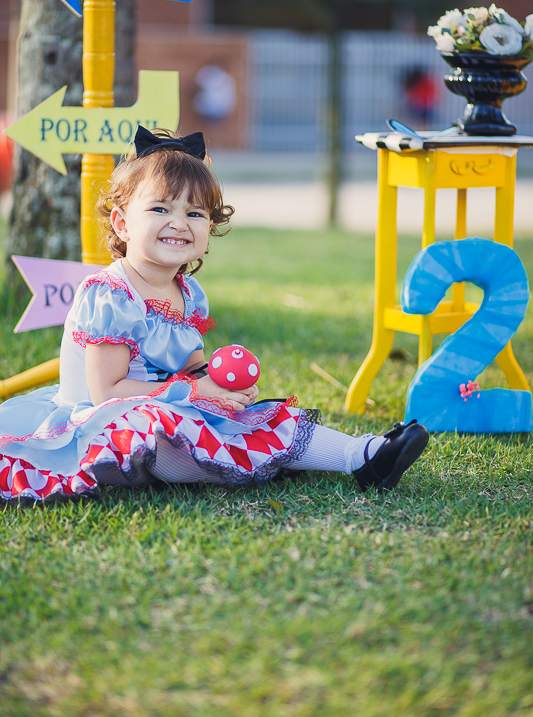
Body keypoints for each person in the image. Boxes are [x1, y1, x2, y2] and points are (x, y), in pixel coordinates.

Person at [0, 126, 429, 502]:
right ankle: (256, 461)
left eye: (195, 213)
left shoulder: (189, 293)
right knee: (161, 424)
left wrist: (218, 385)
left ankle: (366, 455)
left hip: (167, 403)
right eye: (160, 209)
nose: (179, 222)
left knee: (258, 415)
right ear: (122, 223)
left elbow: (190, 364)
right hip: (98, 423)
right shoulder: (110, 293)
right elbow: (106, 392)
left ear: (210, 227)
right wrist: (194, 394)